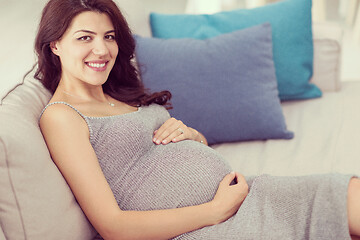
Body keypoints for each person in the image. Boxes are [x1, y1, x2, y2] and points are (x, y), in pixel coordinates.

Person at [36, 0, 360, 239]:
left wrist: (191, 135)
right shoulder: (62, 116)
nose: (102, 49)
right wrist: (217, 210)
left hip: (251, 198)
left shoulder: (119, 91)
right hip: (209, 228)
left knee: (346, 192)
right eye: (84, 38)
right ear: (55, 44)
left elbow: (183, 151)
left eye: (109, 36)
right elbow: (112, 226)